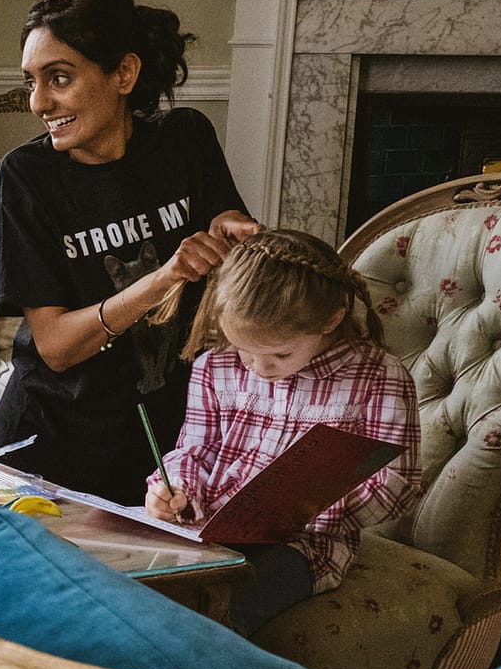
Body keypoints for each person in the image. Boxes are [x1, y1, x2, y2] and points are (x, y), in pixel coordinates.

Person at [0, 0, 263, 503]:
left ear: (124, 73)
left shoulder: (186, 138)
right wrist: (164, 278)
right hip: (51, 447)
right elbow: (56, 348)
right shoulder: (25, 178)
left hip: (170, 444)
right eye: (31, 82)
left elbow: (222, 218)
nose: (39, 103)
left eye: (59, 78)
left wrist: (232, 227)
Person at [143, 229, 423, 638]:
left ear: (331, 319)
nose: (260, 368)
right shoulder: (214, 365)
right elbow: (196, 450)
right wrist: (176, 490)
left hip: (303, 548)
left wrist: (309, 508)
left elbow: (397, 484)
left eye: (280, 353)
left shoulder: (378, 377)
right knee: (134, 595)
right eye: (244, 351)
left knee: (216, 615)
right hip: (208, 534)